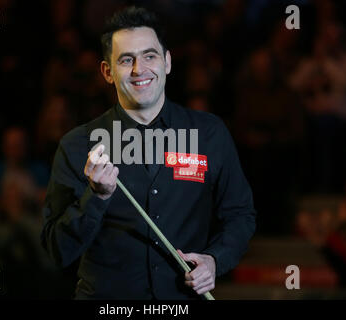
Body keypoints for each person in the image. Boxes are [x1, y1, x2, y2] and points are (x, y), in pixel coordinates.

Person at [41, 6, 256, 300]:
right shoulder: (79, 145)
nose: (139, 69)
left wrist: (214, 259)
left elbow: (240, 215)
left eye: (149, 56)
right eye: (126, 59)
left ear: (167, 62)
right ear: (107, 72)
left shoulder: (209, 134)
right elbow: (57, 250)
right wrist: (96, 197)